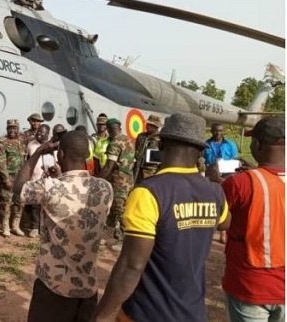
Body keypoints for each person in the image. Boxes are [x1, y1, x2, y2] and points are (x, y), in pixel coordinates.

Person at [93, 112, 231, 322]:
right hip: (193, 312)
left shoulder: (149, 192)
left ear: (161, 144)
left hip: (148, 313)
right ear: (201, 151)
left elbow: (132, 265)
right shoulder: (214, 192)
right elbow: (225, 222)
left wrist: (102, 316)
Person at [13, 131, 113, 322]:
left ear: (61, 155)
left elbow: (19, 187)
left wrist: (38, 152)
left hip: (53, 287)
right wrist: (59, 178)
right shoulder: (105, 189)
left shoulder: (50, 188)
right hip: (87, 290)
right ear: (87, 155)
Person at [221, 117, 285, 322]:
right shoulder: (247, 181)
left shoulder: (239, 183)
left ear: (257, 145)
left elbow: (221, 221)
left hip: (251, 285)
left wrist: (216, 183)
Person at [98, 118, 135, 250]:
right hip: (128, 180)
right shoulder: (129, 140)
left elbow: (109, 166)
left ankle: (122, 240)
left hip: (118, 181)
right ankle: (109, 236)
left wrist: (98, 180)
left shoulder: (115, 143)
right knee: (114, 208)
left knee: (120, 210)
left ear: (108, 129)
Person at [23, 124, 53, 238]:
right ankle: (35, 227)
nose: (39, 134)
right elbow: (26, 160)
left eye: (42, 133)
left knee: (48, 204)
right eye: (38, 132)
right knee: (35, 204)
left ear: (48, 134)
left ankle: (45, 227)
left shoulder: (52, 145)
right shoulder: (31, 145)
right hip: (35, 178)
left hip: (49, 179)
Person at [0, 119, 26, 237]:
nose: (12, 130)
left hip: (20, 177)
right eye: (10, 128)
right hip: (9, 176)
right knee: (6, 202)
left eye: (15, 128)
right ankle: (5, 227)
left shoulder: (21, 142)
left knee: (19, 202)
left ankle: (15, 226)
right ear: (7, 129)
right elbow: (1, 162)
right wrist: (6, 179)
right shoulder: (2, 142)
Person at [133, 114, 162, 183]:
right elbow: (136, 150)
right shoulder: (141, 136)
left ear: (156, 127)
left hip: (152, 171)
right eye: (148, 124)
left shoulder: (161, 139)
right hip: (138, 170)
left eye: (150, 125)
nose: (147, 126)